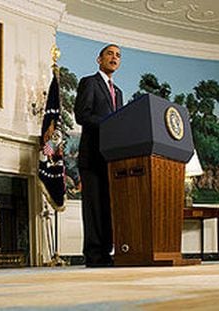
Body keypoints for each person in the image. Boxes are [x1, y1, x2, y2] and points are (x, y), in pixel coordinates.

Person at [74, 44, 123, 267]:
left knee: (107, 207)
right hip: (92, 156)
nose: (114, 58)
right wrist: (109, 123)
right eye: (110, 54)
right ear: (99, 59)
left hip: (111, 158)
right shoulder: (89, 82)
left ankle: (106, 252)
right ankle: (93, 255)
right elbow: (81, 115)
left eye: (118, 55)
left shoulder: (119, 92)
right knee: (93, 207)